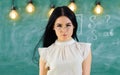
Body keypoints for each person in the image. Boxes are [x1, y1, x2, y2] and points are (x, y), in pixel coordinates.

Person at [38, 6, 92, 75]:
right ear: (53, 27)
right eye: (59, 26)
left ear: (74, 26)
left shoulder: (84, 49)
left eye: (68, 25)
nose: (64, 30)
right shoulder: (46, 53)